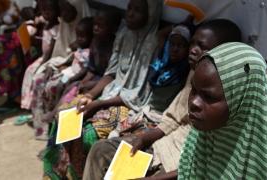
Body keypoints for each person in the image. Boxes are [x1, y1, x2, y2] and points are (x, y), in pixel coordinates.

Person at [82, 19, 242, 180]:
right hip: (163, 146)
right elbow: (172, 119)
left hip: (179, 164)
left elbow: (206, 165)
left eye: (202, 47)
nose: (193, 50)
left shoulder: (230, 98)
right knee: (101, 150)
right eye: (192, 43)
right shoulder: (195, 74)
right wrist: (143, 139)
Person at [43, 0, 163, 179]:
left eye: (138, 10)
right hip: (108, 95)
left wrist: (99, 103)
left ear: (150, 14)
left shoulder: (155, 43)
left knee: (88, 133)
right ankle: (56, 174)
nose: (130, 13)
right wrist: (90, 96)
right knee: (64, 113)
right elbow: (111, 73)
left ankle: (79, 175)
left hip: (130, 106)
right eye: (129, 8)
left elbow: (137, 96)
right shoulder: (124, 34)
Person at [178, 42, 267, 179]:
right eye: (194, 90)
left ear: (243, 99)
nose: (193, 103)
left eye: (208, 96)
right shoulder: (202, 133)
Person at [30, 0, 91, 140]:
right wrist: (53, 65)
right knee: (38, 78)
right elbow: (60, 52)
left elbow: (79, 58)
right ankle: (42, 129)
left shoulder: (85, 29)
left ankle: (53, 127)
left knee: (52, 86)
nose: (63, 15)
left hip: (74, 71)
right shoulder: (64, 25)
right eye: (61, 10)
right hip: (62, 64)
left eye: (67, 10)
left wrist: (62, 66)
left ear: (77, 9)